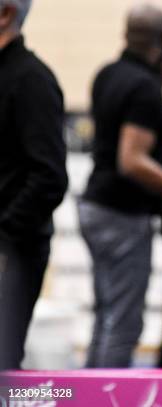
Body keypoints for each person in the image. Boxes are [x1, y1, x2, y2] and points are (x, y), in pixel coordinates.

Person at [78, 4, 162, 367]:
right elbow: (132, 159)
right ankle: (106, 396)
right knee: (124, 323)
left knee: (106, 315)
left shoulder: (107, 73)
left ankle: (85, 396)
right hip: (120, 214)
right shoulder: (143, 87)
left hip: (94, 204)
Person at [0, 0, 68, 370]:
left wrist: (6, 237)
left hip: (13, 251)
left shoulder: (31, 80)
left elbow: (49, 177)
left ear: (5, 14)